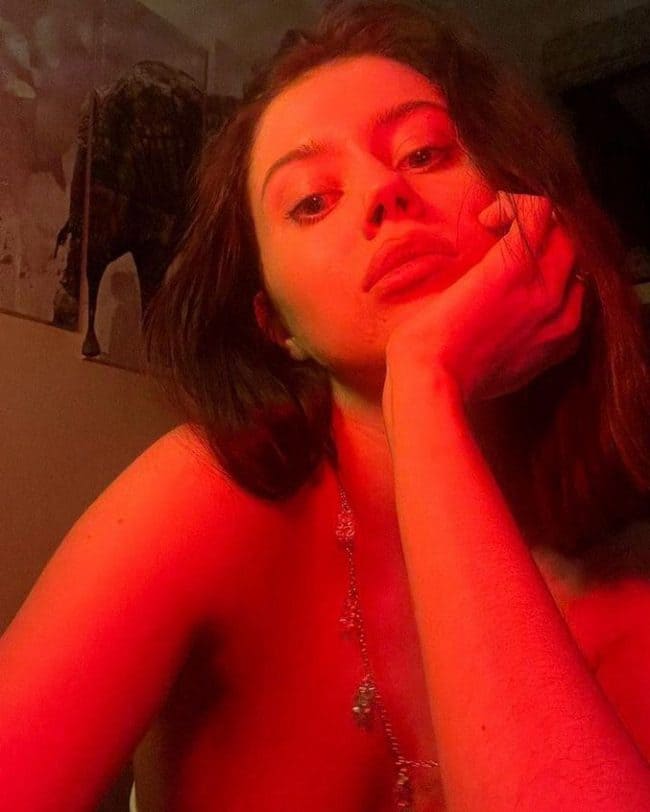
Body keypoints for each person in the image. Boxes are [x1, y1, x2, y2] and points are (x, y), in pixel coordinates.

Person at [2, 1, 650, 810]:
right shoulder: (203, 501)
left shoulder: (625, 583)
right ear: (277, 325)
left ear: (526, 203)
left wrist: (424, 398)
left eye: (424, 152)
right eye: (311, 201)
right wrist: (424, 380)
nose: (384, 191)